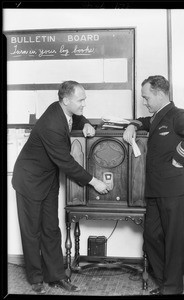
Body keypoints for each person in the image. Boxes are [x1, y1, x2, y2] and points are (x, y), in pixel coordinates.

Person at [12, 80, 109, 294]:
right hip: (29, 180)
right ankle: (36, 279)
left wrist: (84, 122)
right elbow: (66, 163)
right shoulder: (51, 124)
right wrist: (94, 182)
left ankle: (55, 276)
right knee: (31, 231)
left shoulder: (62, 110)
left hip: (47, 179)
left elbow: (74, 116)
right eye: (80, 100)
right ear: (66, 100)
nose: (84, 103)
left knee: (51, 229)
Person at [123, 75, 184, 295]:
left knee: (173, 239)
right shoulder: (157, 117)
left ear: (159, 94)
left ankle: (172, 289)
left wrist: (179, 158)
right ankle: (164, 281)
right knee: (151, 236)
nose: (145, 102)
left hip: (175, 190)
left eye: (147, 97)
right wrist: (132, 124)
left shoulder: (177, 115)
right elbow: (144, 120)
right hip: (156, 190)